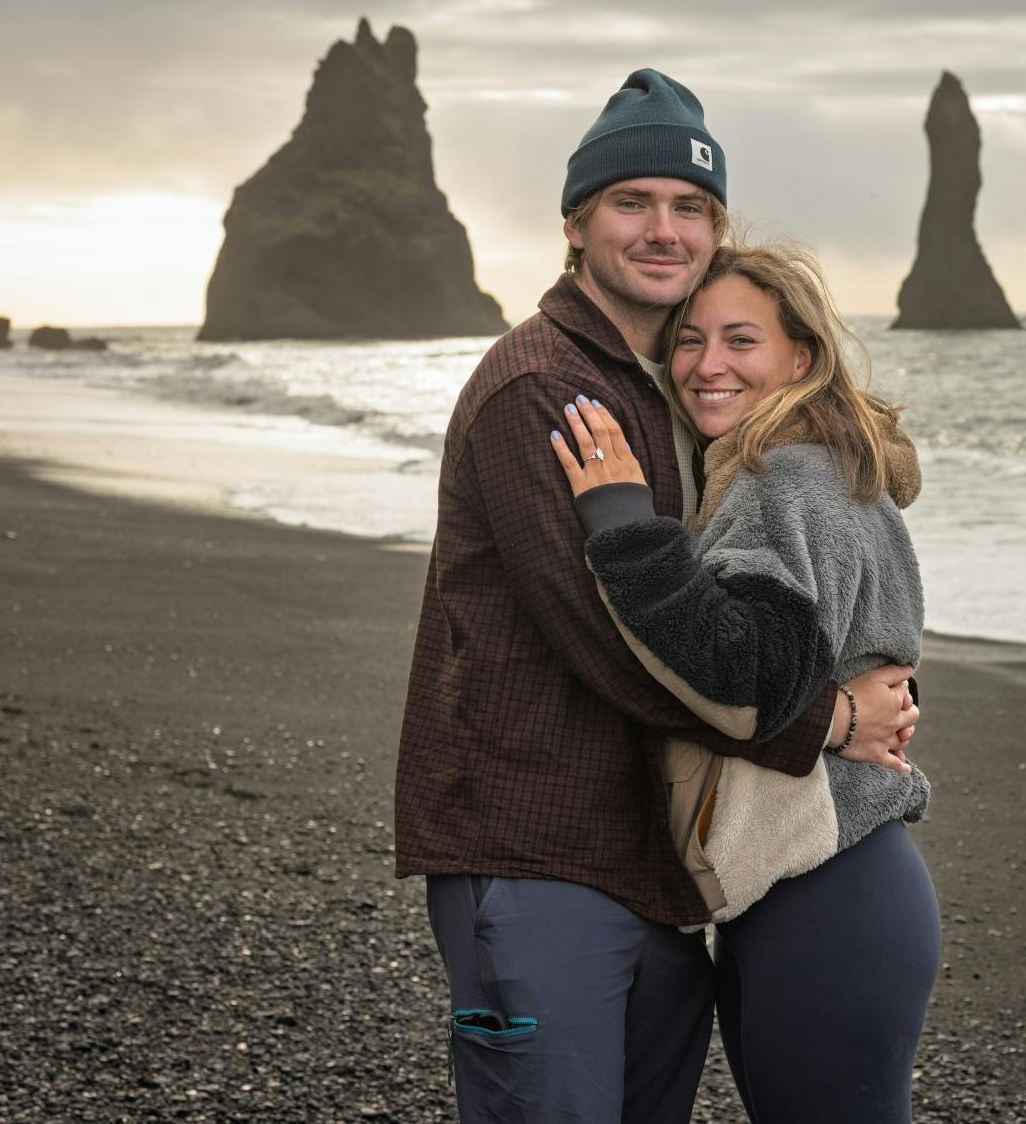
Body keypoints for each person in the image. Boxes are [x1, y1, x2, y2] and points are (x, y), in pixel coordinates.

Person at [392, 69, 918, 1124]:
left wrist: (870, 683)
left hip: (653, 866)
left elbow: (798, 590)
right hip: (535, 848)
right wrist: (835, 718)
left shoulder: (674, 402)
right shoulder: (542, 387)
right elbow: (615, 643)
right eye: (631, 201)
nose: (662, 229)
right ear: (577, 223)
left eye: (690, 207)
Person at [549, 241, 941, 1124]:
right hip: (823, 882)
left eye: (740, 340)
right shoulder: (822, 468)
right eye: (688, 341)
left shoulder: (786, 475)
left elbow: (749, 673)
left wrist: (622, 523)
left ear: (800, 357)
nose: (707, 365)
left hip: (829, 890)